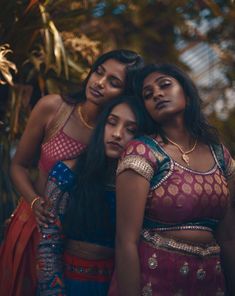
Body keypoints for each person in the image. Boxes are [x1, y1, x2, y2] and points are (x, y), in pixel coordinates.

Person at [0, 49, 144, 296]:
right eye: (98, 72)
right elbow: (18, 165)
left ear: (127, 93)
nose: (99, 83)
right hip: (33, 226)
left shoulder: (116, 133)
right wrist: (35, 201)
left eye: (113, 82)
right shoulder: (54, 108)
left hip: (78, 246)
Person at [108, 64, 235, 296]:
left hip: (211, 283)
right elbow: (126, 240)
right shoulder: (143, 152)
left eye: (165, 85)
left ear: (186, 93)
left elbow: (227, 237)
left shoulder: (220, 155)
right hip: (155, 282)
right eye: (148, 94)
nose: (156, 93)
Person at [36, 95, 147, 295]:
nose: (117, 134)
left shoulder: (139, 188)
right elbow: (48, 243)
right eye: (111, 123)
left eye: (131, 129)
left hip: (115, 285)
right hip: (69, 284)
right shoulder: (65, 173)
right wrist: (53, 291)